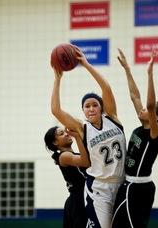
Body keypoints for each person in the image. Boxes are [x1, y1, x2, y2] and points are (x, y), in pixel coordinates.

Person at [51, 47, 126, 228]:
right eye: (87, 106)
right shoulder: (82, 128)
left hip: (122, 184)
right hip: (99, 189)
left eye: (95, 105)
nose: (91, 108)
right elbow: (56, 111)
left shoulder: (112, 118)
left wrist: (86, 64)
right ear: (83, 111)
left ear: (101, 108)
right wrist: (57, 79)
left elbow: (106, 87)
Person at [111, 49, 158, 228]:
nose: (141, 109)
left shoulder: (155, 134)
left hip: (138, 188)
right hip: (128, 184)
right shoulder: (143, 126)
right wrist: (127, 69)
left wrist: (150, 73)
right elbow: (135, 96)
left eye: (148, 111)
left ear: (155, 117)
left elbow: (150, 105)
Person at [44, 126, 90, 228]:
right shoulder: (64, 156)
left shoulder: (75, 154)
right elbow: (85, 162)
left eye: (65, 132)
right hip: (78, 200)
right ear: (55, 142)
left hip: (85, 196)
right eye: (61, 134)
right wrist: (77, 136)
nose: (66, 134)